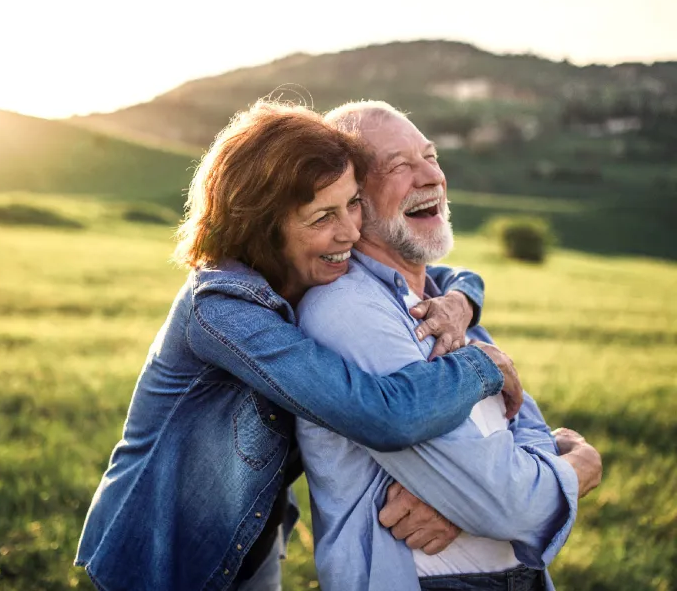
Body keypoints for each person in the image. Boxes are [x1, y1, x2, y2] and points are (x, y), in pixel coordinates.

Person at [74, 101, 525, 591]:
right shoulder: (222, 310)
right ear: (263, 227)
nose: (351, 231)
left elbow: (441, 274)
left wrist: (460, 301)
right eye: (322, 216)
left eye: (353, 203)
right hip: (162, 556)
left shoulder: (307, 270)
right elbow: (380, 415)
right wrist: (482, 366)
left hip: (251, 542)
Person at [295, 100, 603, 591]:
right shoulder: (347, 310)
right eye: (399, 165)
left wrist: (468, 503)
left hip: (519, 576)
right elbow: (507, 504)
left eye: (431, 156)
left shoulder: (445, 304)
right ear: (353, 201)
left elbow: (524, 427)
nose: (432, 177)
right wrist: (578, 467)